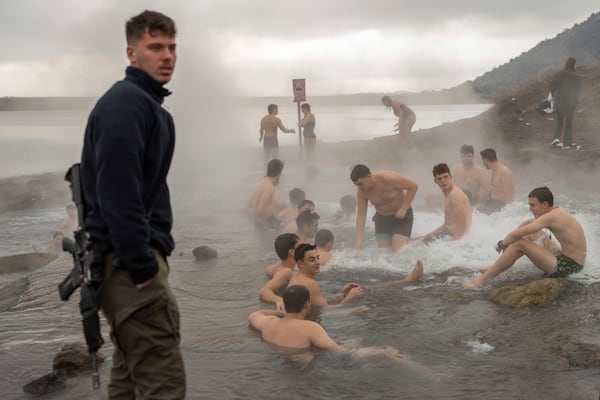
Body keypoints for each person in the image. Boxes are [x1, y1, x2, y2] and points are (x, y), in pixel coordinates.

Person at [79, 10, 185, 398]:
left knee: (127, 378)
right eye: (155, 47)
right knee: (163, 383)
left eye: (172, 47)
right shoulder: (126, 105)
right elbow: (117, 193)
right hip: (128, 267)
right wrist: (141, 265)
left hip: (122, 263)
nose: (167, 55)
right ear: (132, 52)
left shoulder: (147, 105)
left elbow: (143, 187)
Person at [249, 285, 437, 376]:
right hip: (314, 368)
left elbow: (253, 314)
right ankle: (432, 374)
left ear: (286, 305)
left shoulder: (269, 323)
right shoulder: (310, 327)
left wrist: (278, 311)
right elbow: (339, 352)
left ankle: (367, 367)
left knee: (355, 340)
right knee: (386, 350)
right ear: (307, 304)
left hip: (289, 365)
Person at [464, 187, 586, 288]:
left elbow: (515, 235)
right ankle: (496, 267)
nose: (530, 209)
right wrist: (511, 243)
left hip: (568, 267)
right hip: (571, 260)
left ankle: (481, 280)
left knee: (519, 244)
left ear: (545, 204)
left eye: (533, 205)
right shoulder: (555, 212)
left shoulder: (550, 217)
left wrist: (501, 244)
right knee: (529, 234)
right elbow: (526, 225)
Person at [351, 164, 418, 251]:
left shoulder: (388, 178)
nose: (359, 187)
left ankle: (410, 242)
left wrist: (404, 208)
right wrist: (358, 239)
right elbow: (361, 214)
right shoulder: (361, 192)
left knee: (397, 251)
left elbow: (413, 186)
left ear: (369, 176)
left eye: (360, 184)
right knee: (384, 254)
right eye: (356, 185)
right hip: (382, 219)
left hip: (401, 217)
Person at [287, 243, 363, 307]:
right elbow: (327, 310)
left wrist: (342, 293)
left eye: (317, 258)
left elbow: (317, 298)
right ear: (300, 264)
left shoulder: (296, 276)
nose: (317, 262)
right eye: (312, 260)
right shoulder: (309, 283)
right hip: (307, 321)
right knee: (360, 309)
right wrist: (349, 298)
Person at [416, 164, 472, 243]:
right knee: (417, 242)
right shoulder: (448, 195)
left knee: (418, 246)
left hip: (455, 237)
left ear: (450, 177)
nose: (443, 181)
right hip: (448, 233)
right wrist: (425, 237)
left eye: (445, 177)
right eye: (439, 178)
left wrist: (453, 245)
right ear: (435, 181)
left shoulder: (455, 195)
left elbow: (462, 224)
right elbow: (447, 224)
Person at [261, 233, 301, 310]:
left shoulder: (274, 267)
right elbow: (264, 291)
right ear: (292, 252)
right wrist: (279, 300)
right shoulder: (287, 271)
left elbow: (268, 271)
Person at [550, 57, 582, 150]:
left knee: (559, 121)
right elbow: (578, 89)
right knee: (568, 123)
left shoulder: (558, 75)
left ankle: (556, 140)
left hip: (559, 101)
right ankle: (567, 144)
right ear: (573, 64)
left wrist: (555, 97)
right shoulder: (576, 76)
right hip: (570, 102)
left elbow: (552, 88)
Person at [246, 158, 285, 231]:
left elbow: (248, 206)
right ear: (279, 173)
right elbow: (260, 210)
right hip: (266, 223)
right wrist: (266, 228)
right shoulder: (269, 187)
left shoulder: (262, 182)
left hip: (261, 221)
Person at [478, 148, 514, 213]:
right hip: (492, 203)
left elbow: (509, 194)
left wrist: (506, 213)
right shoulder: (494, 170)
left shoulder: (504, 172)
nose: (483, 162)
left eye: (482, 160)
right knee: (473, 211)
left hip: (500, 205)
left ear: (485, 160)